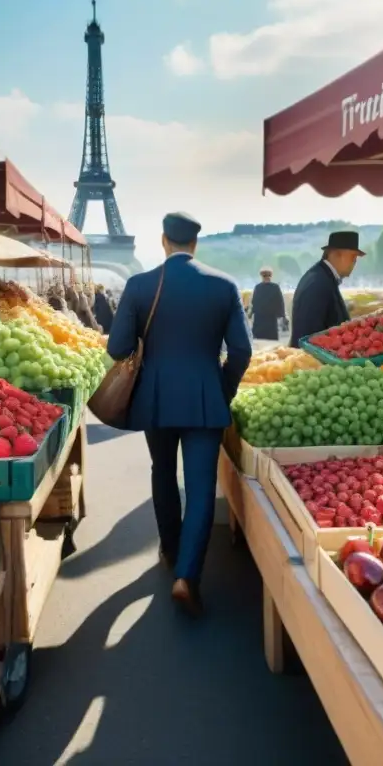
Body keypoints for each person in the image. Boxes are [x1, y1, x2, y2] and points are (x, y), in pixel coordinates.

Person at [107, 212, 251, 616]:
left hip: (155, 398)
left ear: (163, 241)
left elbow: (117, 349)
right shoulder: (224, 286)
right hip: (206, 396)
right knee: (202, 487)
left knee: (163, 472)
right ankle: (188, 575)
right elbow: (241, 351)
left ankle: (170, 548)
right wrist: (222, 387)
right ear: (195, 244)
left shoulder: (139, 285)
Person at [289, 231, 365, 347]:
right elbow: (310, 336)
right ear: (336, 254)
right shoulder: (318, 282)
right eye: (353, 257)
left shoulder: (321, 277)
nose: (354, 262)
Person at [250, 267, 286, 340]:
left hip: (259, 318)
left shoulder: (258, 287)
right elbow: (280, 302)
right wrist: (282, 315)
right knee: (271, 340)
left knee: (259, 340)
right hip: (271, 318)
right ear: (271, 276)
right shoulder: (275, 287)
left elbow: (254, 302)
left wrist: (251, 313)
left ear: (261, 276)